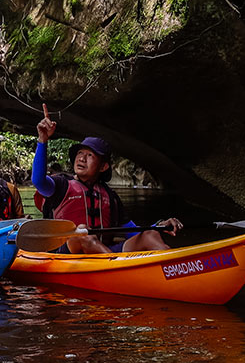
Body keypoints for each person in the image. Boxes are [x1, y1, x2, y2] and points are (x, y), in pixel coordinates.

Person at [33, 105, 183, 253]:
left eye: (90, 155)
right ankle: (116, 264)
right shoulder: (61, 185)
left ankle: (174, 262)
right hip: (67, 254)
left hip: (102, 253)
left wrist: (159, 226)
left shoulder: (110, 197)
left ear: (103, 166)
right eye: (80, 153)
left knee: (150, 235)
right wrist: (43, 140)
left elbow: (134, 232)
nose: (82, 158)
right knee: (82, 232)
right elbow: (38, 181)